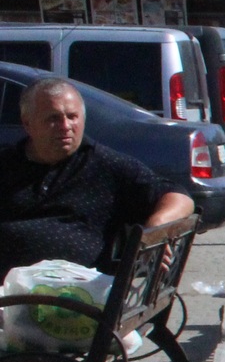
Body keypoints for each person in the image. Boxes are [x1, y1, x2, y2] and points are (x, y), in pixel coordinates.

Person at [0, 77, 195, 278]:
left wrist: (157, 226)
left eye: (72, 117)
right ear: (27, 123)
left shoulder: (105, 164)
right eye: (53, 118)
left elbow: (179, 197)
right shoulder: (7, 164)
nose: (65, 126)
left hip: (75, 297)